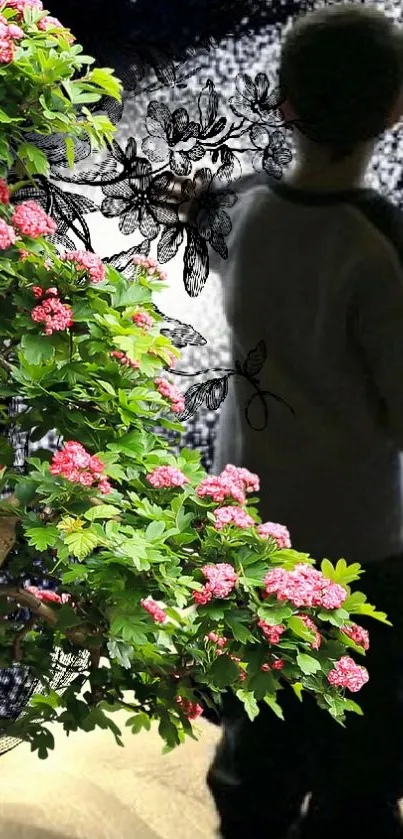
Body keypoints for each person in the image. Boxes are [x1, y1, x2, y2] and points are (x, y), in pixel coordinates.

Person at [207, 5, 403, 838]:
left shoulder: (245, 211)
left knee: (261, 725)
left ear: (283, 101)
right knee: (360, 748)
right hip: (355, 542)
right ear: (395, 108)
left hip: (252, 525)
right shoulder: (378, 244)